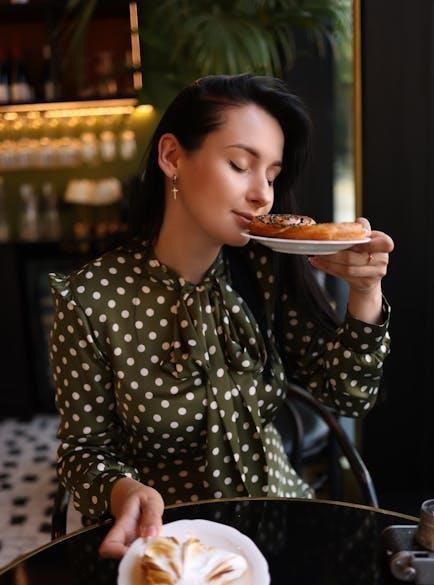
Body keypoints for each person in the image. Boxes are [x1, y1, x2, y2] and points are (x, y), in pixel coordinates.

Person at [48, 73, 394, 560]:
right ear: (172, 157)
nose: (263, 195)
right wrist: (124, 490)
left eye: (271, 175)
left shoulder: (264, 269)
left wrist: (364, 293)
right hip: (171, 543)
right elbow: (84, 451)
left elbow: (348, 397)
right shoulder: (91, 300)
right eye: (239, 164)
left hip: (283, 525)